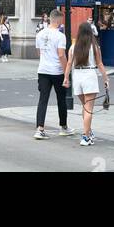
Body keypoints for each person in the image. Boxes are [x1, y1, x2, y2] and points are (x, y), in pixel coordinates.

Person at [64, 19, 107, 146]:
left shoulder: (73, 47)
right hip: (89, 76)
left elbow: (69, 64)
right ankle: (86, 136)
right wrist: (106, 78)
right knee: (89, 109)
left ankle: (88, 131)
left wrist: (66, 78)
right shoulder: (94, 47)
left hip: (77, 76)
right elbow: (99, 64)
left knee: (84, 106)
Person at [33, 10, 73, 140]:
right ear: (58, 20)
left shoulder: (39, 34)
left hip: (43, 70)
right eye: (61, 20)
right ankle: (63, 127)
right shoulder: (60, 36)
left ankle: (40, 129)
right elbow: (61, 55)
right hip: (57, 71)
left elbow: (39, 53)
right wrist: (67, 71)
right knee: (61, 99)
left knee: (43, 99)